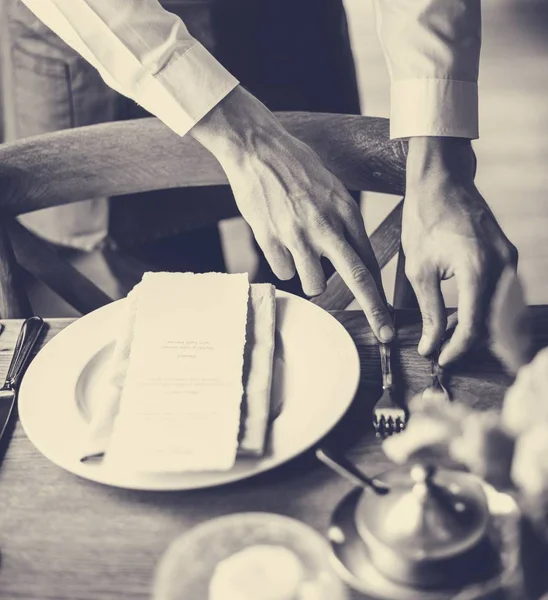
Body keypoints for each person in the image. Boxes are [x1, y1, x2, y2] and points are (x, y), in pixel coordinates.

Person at [16, 0, 517, 365]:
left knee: (318, 258)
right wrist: (248, 140)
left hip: (283, 20)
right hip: (106, 29)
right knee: (168, 292)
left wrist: (439, 160)